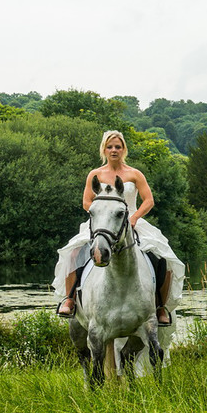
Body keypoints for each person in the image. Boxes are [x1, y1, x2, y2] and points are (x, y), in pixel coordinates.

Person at [53, 130, 185, 325]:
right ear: (104, 149)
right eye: (110, 146)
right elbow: (86, 202)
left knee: (163, 258)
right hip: (101, 224)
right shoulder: (95, 174)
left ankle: (160, 307)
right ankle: (70, 299)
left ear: (123, 149)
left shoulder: (134, 173)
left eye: (117, 146)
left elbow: (149, 200)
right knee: (73, 253)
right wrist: (102, 216)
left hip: (131, 222)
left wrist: (134, 218)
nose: (114, 150)